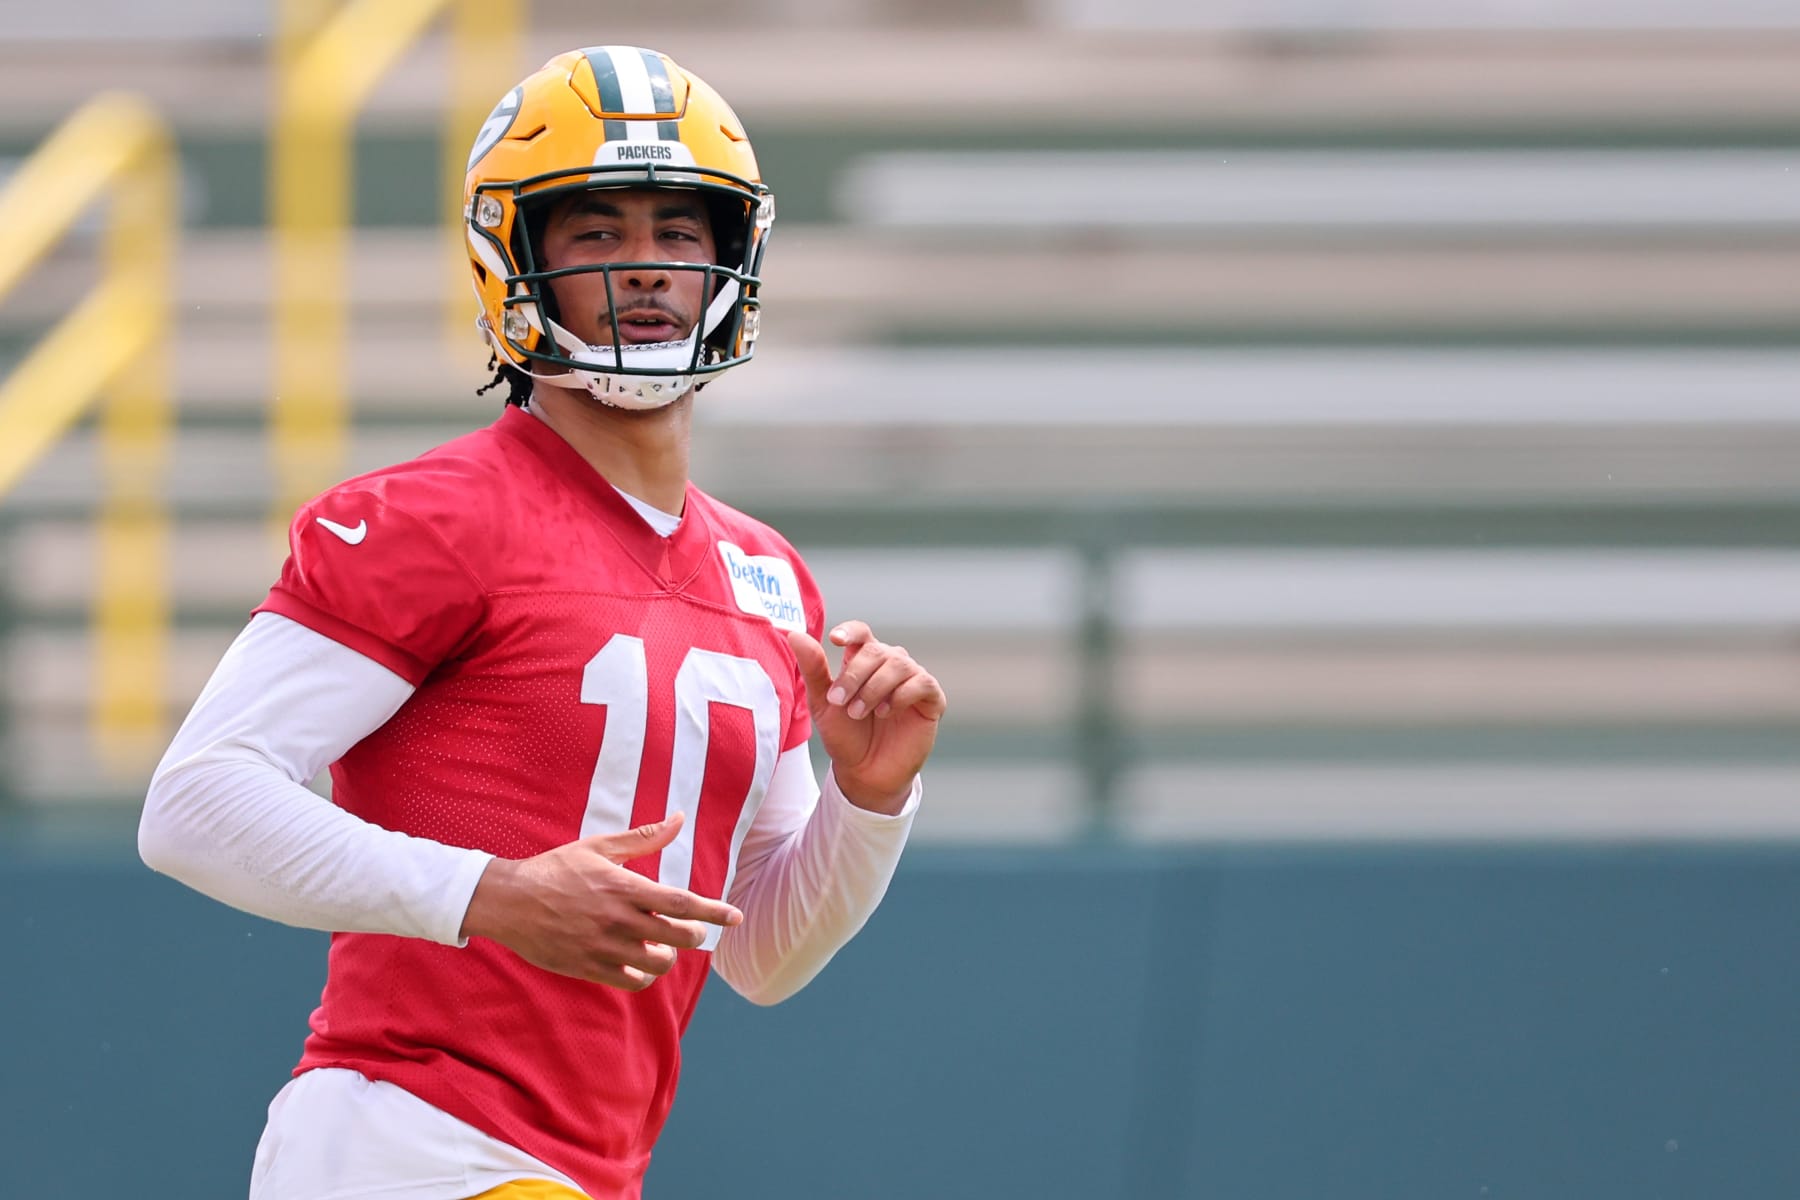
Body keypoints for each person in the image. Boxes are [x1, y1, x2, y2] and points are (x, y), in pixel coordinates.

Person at [138, 45, 946, 1200]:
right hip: (408, 1140)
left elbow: (758, 951)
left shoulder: (766, 574)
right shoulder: (437, 517)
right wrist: (489, 894)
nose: (648, 268)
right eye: (598, 234)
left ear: (730, 257)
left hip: (567, 1168)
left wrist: (872, 799)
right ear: (516, 261)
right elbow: (196, 802)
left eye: (679, 232)